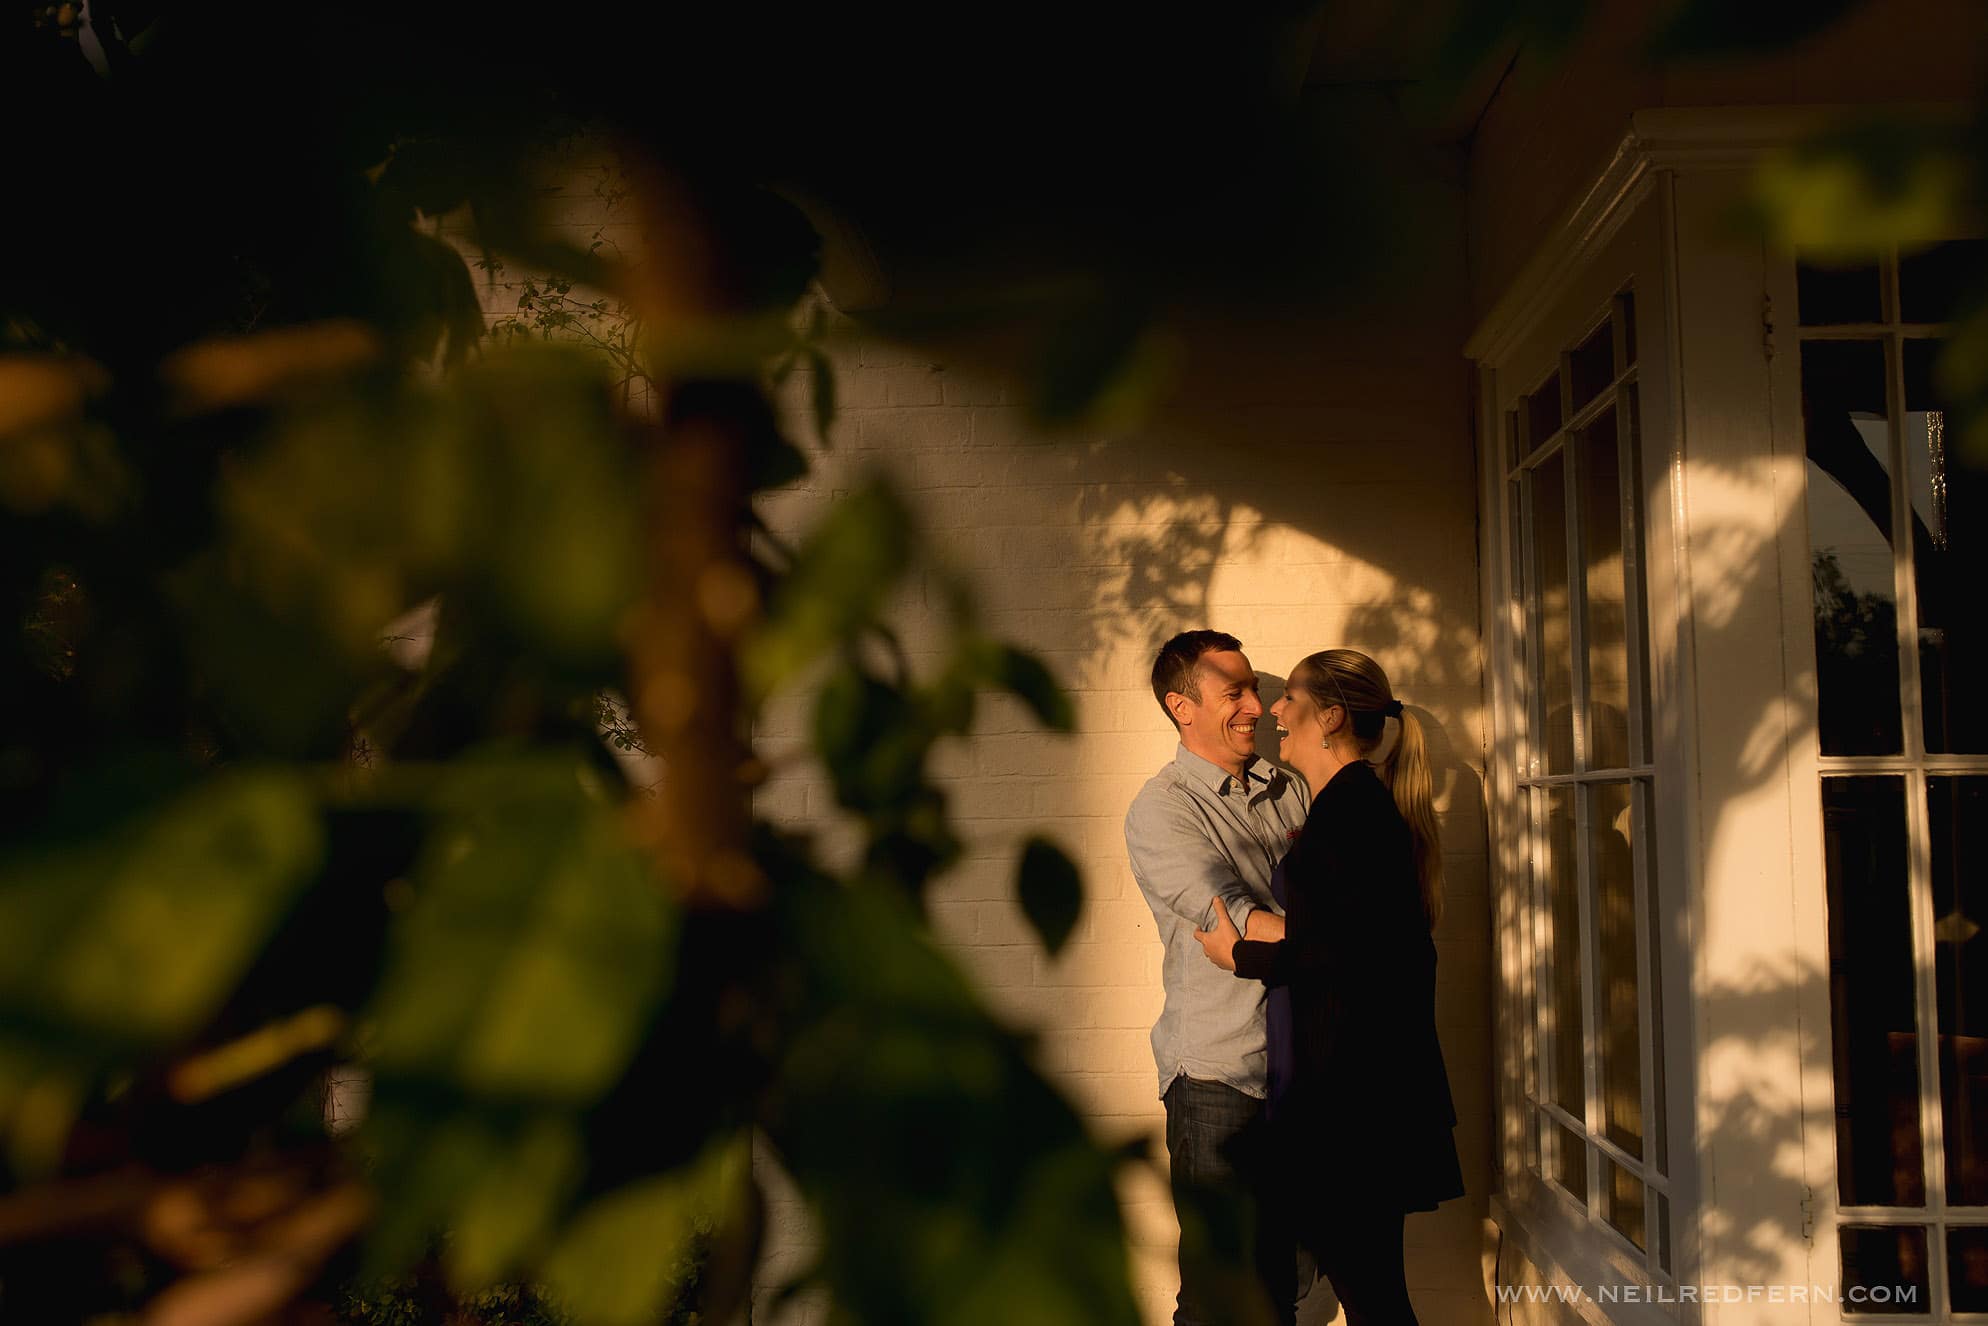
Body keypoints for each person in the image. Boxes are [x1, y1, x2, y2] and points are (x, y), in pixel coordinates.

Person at [1192, 648, 1464, 1326]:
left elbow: (1339, 957)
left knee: (1373, 1300)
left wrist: (1240, 956)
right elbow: (1352, 943)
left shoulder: (1351, 816)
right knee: (1366, 1292)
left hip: (1353, 1109)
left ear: (1333, 716)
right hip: (1355, 1100)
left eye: (1293, 700)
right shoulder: (1350, 807)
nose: (1276, 710)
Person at [1125, 630, 1310, 1326]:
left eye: (1253, 689)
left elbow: (1335, 886)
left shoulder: (1290, 788)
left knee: (1288, 1280)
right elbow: (1236, 925)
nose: (1255, 707)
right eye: (1233, 691)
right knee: (1220, 1296)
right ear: (1182, 707)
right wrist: (1353, 940)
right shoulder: (1163, 809)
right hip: (1217, 1077)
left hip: (1301, 1068)